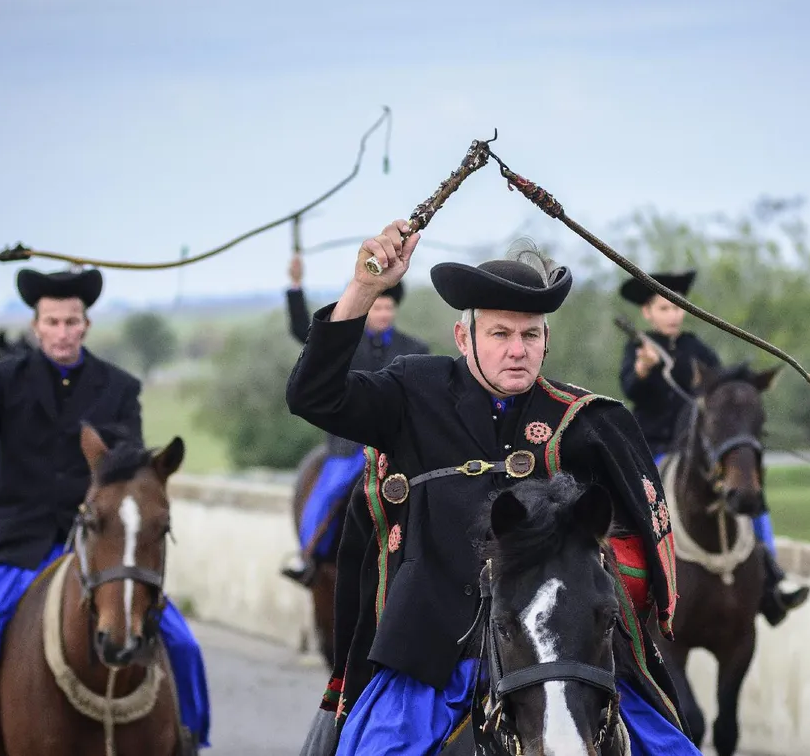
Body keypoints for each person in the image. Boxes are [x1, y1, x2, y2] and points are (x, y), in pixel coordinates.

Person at [287, 221, 700, 755]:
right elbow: (313, 397)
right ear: (465, 338)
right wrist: (364, 288)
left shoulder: (584, 422)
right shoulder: (413, 392)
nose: (517, 350)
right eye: (500, 334)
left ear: (546, 341)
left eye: (530, 335)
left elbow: (634, 547)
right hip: (431, 659)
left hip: (562, 663)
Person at [0, 267, 211, 756]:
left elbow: (129, 465)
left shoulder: (119, 388)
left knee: (185, 646)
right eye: (52, 323)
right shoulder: (4, 378)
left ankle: (188, 738)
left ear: (85, 325)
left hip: (98, 543)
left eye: (71, 322)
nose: (62, 332)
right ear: (36, 327)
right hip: (20, 542)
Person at [618, 270, 809, 626]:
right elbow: (631, 388)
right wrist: (644, 369)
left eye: (677, 307)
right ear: (648, 313)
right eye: (664, 307)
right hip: (655, 447)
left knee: (752, 498)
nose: (673, 314)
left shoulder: (696, 350)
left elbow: (720, 393)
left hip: (696, 449)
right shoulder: (638, 348)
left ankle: (772, 576)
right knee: (640, 502)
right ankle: (635, 582)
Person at [280, 252, 428, 586]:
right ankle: (308, 556)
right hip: (350, 447)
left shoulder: (415, 347)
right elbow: (303, 330)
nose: (384, 313)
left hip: (397, 445)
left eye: (389, 308)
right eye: (377, 307)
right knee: (328, 494)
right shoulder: (344, 344)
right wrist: (295, 284)